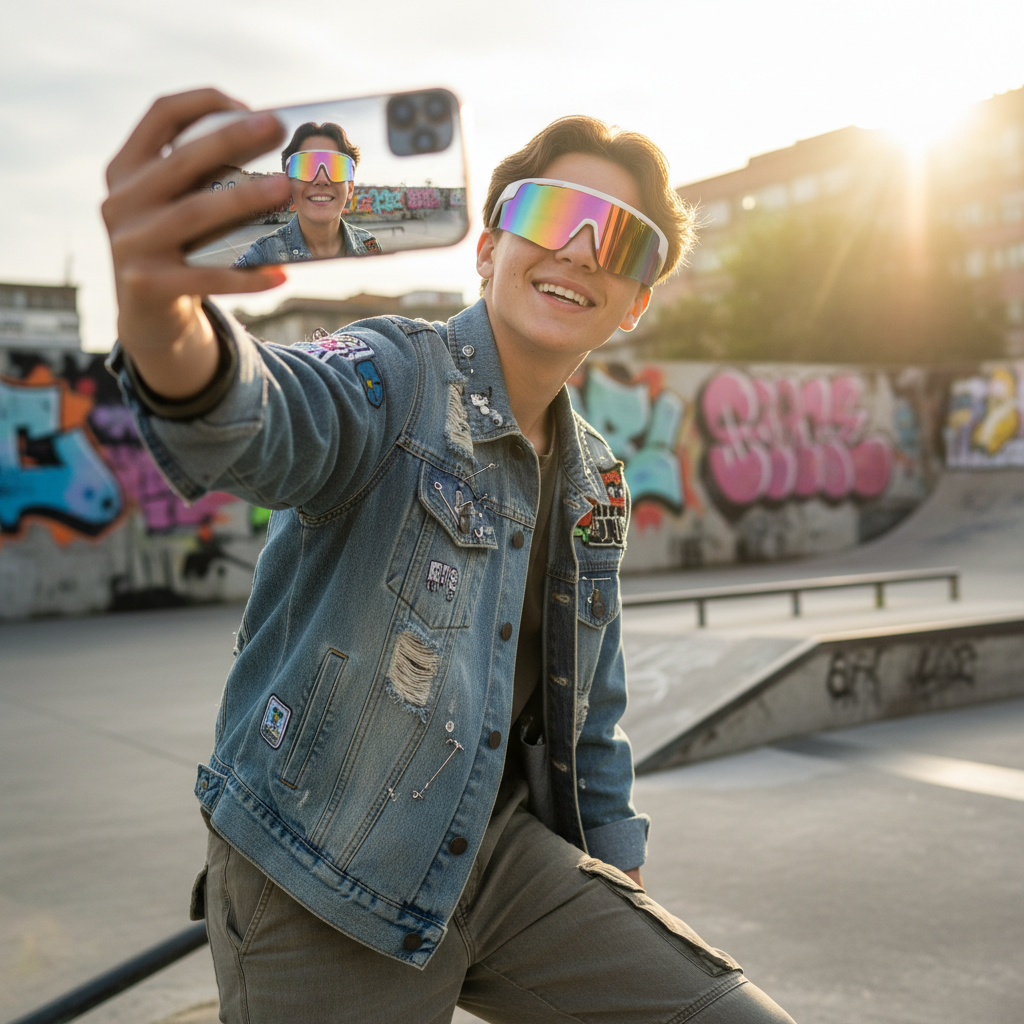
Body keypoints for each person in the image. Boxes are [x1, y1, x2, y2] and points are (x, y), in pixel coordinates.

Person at [102, 88, 796, 1023]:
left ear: (633, 303)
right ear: (486, 250)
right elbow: (265, 416)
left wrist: (616, 869)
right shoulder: (393, 372)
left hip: (501, 858)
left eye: (624, 243)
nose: (582, 251)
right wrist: (164, 320)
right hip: (323, 863)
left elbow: (593, 705)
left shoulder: (596, 478)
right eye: (553, 215)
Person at [233, 120, 380, 265]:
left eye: (337, 168)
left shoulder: (369, 247)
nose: (321, 180)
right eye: (305, 167)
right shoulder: (262, 257)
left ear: (350, 188)